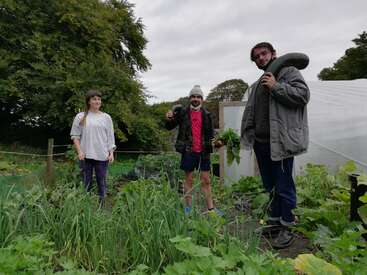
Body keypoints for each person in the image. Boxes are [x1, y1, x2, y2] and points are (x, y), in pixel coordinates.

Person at [241, 42, 310, 248]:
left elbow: (303, 95)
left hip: (279, 142)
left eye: (264, 54)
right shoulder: (256, 85)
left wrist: (276, 86)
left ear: (273, 54)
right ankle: (274, 223)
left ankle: (287, 226)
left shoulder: (288, 72)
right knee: (270, 186)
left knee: (284, 185)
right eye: (257, 57)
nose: (261, 58)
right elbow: (252, 113)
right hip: (261, 143)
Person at [165, 85, 222, 216]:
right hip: (188, 151)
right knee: (188, 180)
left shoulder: (207, 115)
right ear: (189, 98)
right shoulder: (182, 113)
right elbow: (169, 126)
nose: (195, 99)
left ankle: (211, 209)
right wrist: (168, 118)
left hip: (204, 152)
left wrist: (217, 143)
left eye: (198, 97)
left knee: (206, 180)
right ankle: (188, 209)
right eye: (193, 96)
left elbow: (211, 135)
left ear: (202, 99)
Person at [70, 89, 116, 206]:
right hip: (85, 155)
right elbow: (75, 136)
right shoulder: (81, 116)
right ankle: (86, 207)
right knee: (86, 183)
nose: (97, 101)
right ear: (89, 101)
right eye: (94, 99)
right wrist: (80, 151)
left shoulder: (106, 117)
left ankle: (101, 207)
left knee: (102, 182)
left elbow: (110, 137)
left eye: (99, 99)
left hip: (102, 155)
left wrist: (111, 153)